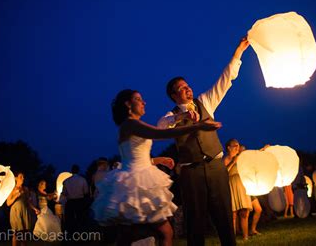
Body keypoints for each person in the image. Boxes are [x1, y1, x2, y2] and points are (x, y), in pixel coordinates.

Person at [91, 89, 222, 246]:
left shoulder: (133, 125)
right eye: (139, 99)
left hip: (138, 179)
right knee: (160, 232)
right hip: (134, 185)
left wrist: (157, 160)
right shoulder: (130, 124)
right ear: (128, 104)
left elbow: (134, 156)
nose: (144, 102)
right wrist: (197, 126)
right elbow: (159, 133)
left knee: (134, 235)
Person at [157, 36, 250, 246]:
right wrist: (183, 117)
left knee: (224, 218)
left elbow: (226, 80)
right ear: (173, 96)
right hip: (192, 173)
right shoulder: (170, 116)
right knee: (195, 222)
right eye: (182, 88)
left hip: (217, 167)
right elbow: (161, 127)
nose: (188, 89)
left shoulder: (205, 101)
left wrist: (238, 53)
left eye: (188, 86)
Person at [223, 139, 252, 241]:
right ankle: (232, 238)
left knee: (244, 212)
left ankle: (246, 236)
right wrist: (232, 162)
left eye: (238, 145)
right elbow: (223, 174)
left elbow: (252, 156)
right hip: (231, 184)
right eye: (235, 145)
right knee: (233, 214)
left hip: (241, 184)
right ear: (229, 147)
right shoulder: (225, 159)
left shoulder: (241, 157)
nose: (237, 147)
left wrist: (263, 149)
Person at [7, 172, 39, 246]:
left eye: (23, 177)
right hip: (16, 212)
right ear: (16, 178)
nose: (23, 178)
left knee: (24, 234)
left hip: (25, 211)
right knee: (17, 233)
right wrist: (16, 195)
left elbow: (28, 201)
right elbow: (8, 203)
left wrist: (35, 209)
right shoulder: (11, 189)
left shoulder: (25, 189)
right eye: (21, 177)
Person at [61, 164, 89, 234]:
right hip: (80, 201)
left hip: (70, 202)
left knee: (70, 220)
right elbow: (86, 192)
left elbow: (64, 193)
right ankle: (81, 234)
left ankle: (72, 235)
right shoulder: (83, 180)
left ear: (71, 171)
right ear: (78, 171)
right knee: (80, 219)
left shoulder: (66, 181)